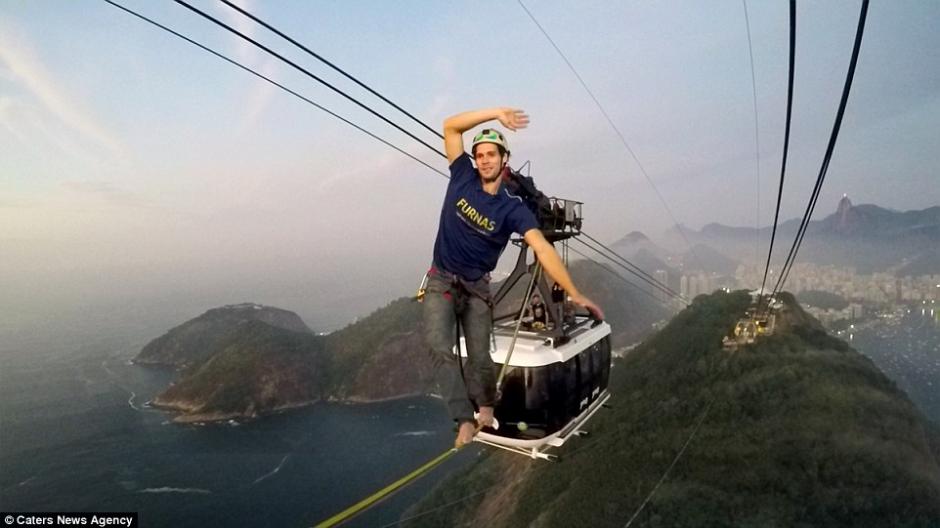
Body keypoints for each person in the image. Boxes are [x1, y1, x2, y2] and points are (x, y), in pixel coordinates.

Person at [424, 107, 604, 448]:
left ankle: (487, 407)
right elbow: (450, 127)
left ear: (504, 160)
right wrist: (494, 114)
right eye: (479, 155)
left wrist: (574, 293)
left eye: (491, 154)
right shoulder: (462, 174)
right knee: (437, 346)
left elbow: (543, 249)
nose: (484, 160)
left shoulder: (512, 208)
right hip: (441, 279)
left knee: (480, 358)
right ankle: (464, 418)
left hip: (477, 288)